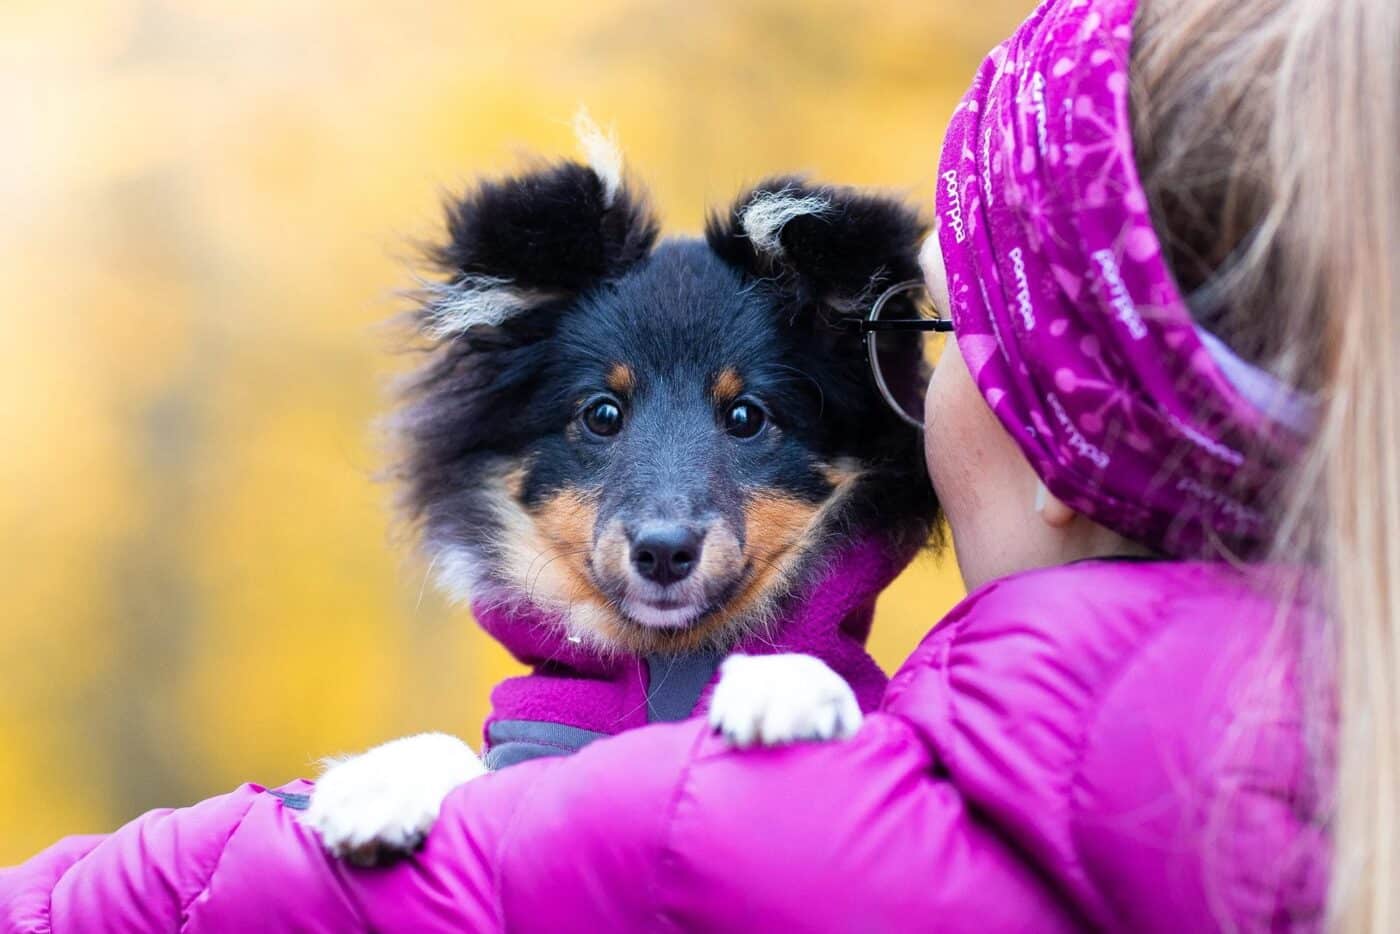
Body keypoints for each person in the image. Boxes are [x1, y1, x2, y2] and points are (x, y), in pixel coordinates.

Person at [4, 0, 1392, 927]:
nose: (669, 520)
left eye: (945, 323)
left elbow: (223, 893)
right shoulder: (1281, 741)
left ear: (1071, 439)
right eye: (599, 424)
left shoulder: (866, 794)